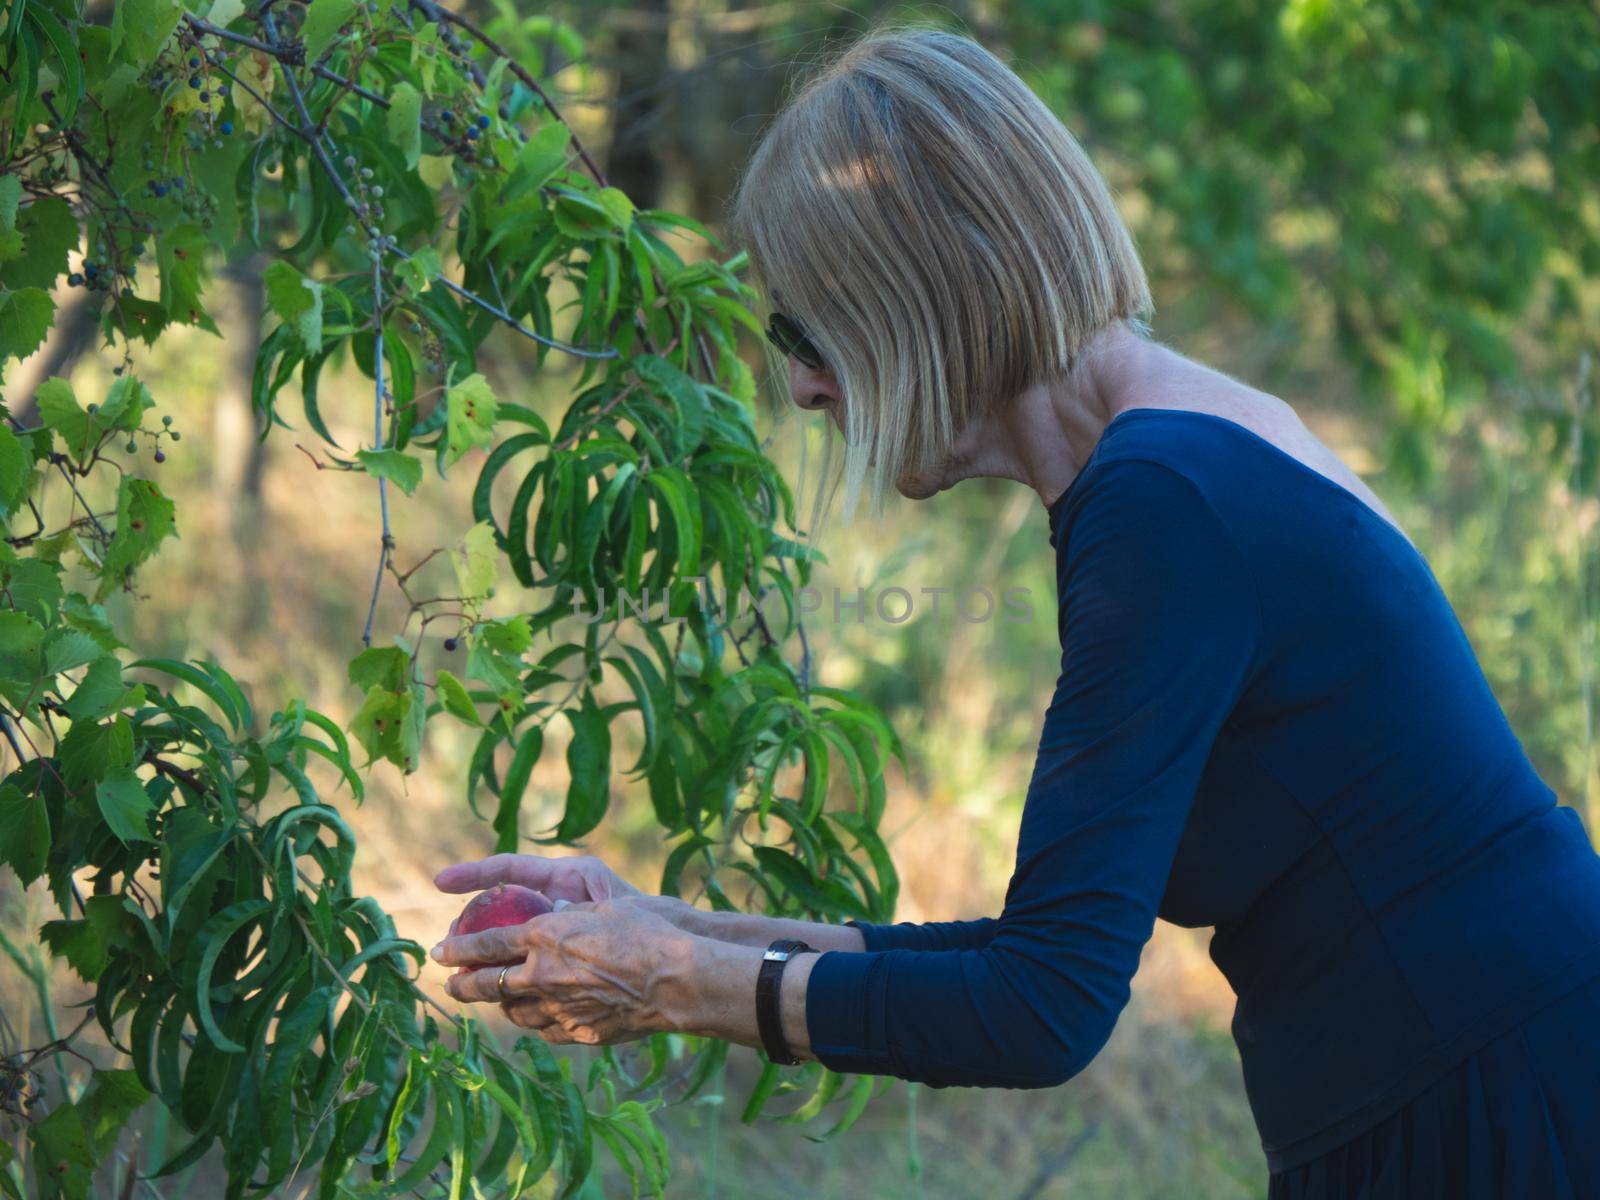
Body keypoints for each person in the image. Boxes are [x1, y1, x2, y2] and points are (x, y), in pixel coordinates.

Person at [428, 25, 1600, 1197]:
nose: (801, 384)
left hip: (1490, 1102)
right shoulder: (1175, 454)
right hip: (1473, 1068)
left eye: (805, 328)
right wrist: (674, 934)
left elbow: (1041, 1010)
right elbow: (1037, 951)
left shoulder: (1163, 500)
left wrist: (675, 986)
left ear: (915, 294)